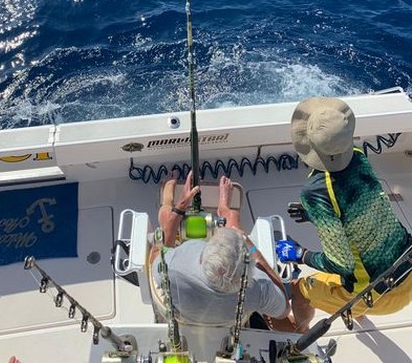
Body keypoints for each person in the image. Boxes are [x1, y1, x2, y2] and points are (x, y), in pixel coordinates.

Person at [276, 96, 412, 332]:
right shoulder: (358, 156)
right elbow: (360, 211)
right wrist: (316, 215)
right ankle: (358, 312)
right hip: (407, 271)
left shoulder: (315, 190)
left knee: (299, 289)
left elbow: (341, 264)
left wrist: (301, 255)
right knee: (359, 271)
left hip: (377, 294)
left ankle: (299, 331)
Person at [151, 172, 290, 326]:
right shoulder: (259, 288)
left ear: (202, 259)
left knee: (165, 217)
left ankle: (168, 196)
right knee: (233, 219)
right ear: (249, 268)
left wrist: (181, 205)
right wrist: (249, 245)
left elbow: (157, 251)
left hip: (185, 318)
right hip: (225, 323)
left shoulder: (171, 269)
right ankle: (224, 208)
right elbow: (284, 311)